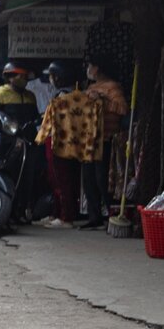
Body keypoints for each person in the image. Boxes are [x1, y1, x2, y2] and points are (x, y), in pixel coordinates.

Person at [34, 65, 101, 227]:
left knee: (60, 180)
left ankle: (65, 216)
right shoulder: (86, 99)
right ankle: (59, 213)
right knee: (69, 179)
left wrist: (40, 138)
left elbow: (47, 126)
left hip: (58, 143)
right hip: (79, 145)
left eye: (52, 76)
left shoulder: (59, 101)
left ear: (58, 77)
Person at [80, 59, 130, 229]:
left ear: (97, 67)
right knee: (89, 180)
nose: (88, 69)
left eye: (90, 65)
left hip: (106, 139)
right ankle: (94, 217)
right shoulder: (90, 87)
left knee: (103, 180)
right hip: (90, 141)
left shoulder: (112, 87)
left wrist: (103, 99)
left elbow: (122, 109)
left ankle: (112, 215)